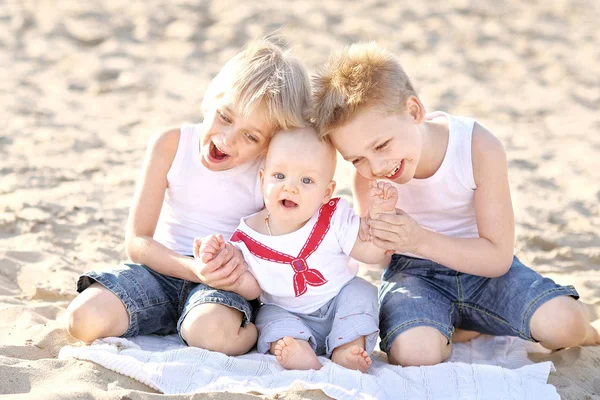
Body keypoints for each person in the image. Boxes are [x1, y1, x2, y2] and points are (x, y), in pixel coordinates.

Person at [309, 42, 600, 367]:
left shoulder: (477, 146)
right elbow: (379, 259)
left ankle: (578, 330)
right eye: (358, 159)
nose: (375, 167)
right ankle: (457, 327)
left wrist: (418, 239)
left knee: (565, 324)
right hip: (415, 275)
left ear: (414, 112)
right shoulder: (368, 177)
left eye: (382, 145)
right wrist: (382, 227)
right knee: (415, 353)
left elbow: (498, 258)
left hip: (483, 270)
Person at [64, 40, 311, 356]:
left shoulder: (267, 174)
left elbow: (274, 248)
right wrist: (193, 269)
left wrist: (232, 269)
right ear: (212, 99)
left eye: (251, 136)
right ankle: (168, 317)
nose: (227, 138)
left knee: (211, 336)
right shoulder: (171, 145)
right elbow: (138, 242)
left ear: (268, 146)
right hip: (160, 271)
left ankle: (250, 326)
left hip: (222, 285)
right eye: (225, 116)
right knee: (82, 320)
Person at [196, 127, 397, 372]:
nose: (290, 188)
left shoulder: (333, 217)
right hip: (287, 311)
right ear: (262, 179)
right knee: (269, 318)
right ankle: (297, 349)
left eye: (306, 180)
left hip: (337, 302)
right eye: (279, 176)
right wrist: (219, 259)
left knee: (361, 291)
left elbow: (371, 254)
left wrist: (379, 214)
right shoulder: (247, 236)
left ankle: (347, 347)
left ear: (326, 193)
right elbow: (251, 289)